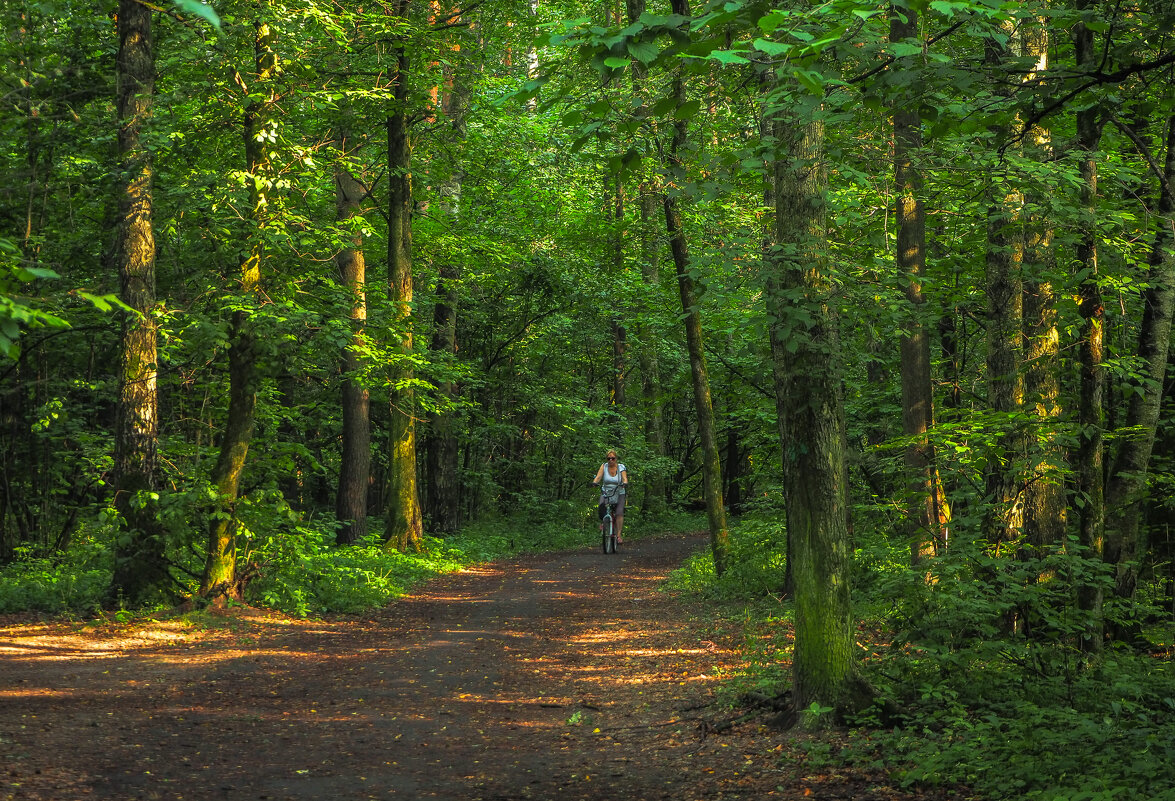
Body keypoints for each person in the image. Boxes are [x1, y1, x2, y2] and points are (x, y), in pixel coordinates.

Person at [592, 450, 628, 545]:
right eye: (609, 458)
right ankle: (605, 522)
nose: (611, 460)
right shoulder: (604, 466)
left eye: (613, 458)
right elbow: (599, 477)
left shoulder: (621, 467)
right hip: (606, 491)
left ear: (616, 459)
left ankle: (619, 535)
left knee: (619, 512)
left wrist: (624, 483)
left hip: (619, 491)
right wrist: (595, 482)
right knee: (601, 506)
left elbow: (624, 478)